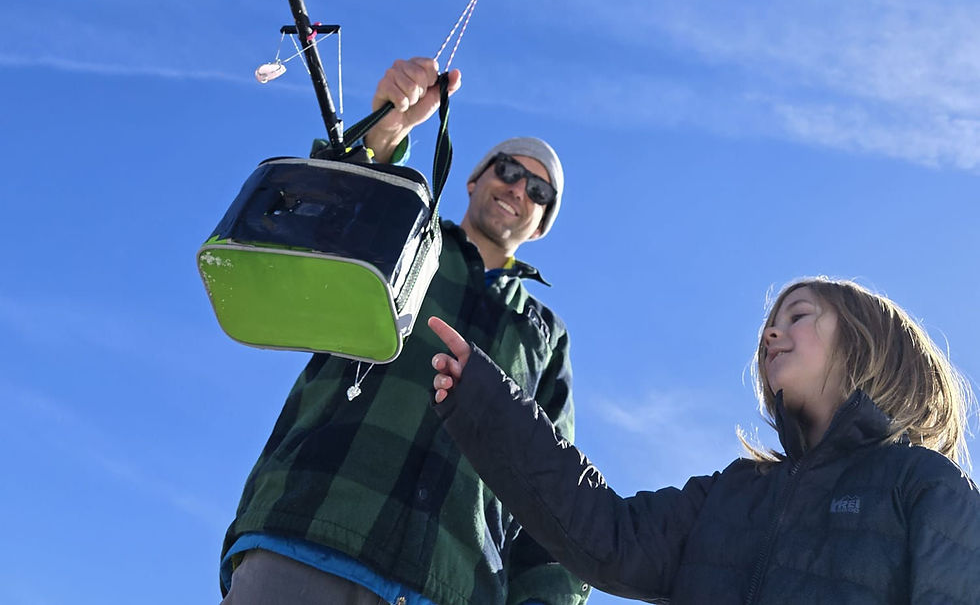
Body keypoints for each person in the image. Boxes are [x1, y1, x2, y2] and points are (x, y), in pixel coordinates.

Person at [220, 56, 588, 605]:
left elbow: (553, 486)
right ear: (473, 178)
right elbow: (336, 214)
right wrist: (387, 131)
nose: (519, 188)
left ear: (541, 225)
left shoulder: (544, 337)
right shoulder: (406, 232)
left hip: (449, 588)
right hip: (306, 533)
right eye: (509, 169)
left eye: (539, 191)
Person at [430, 277, 980, 604]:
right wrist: (486, 402)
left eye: (799, 316)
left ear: (866, 343)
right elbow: (608, 535)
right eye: (770, 322)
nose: (770, 333)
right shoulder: (732, 493)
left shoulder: (921, 485)